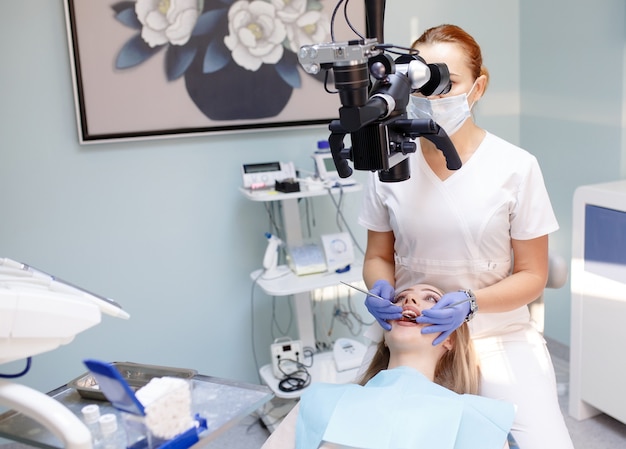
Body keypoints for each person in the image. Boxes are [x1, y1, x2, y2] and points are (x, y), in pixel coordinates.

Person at [360, 24, 573, 449]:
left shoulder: (515, 167)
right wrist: (378, 286)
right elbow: (378, 256)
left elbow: (533, 275)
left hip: (497, 334)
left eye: (445, 83)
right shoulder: (390, 167)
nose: (429, 98)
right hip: (416, 334)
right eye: (417, 83)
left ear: (478, 88)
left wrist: (473, 303)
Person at [262, 284, 515, 449]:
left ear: (449, 339)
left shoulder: (478, 421)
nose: (410, 299)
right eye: (400, 297)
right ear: (384, 332)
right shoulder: (320, 400)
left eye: (429, 298)